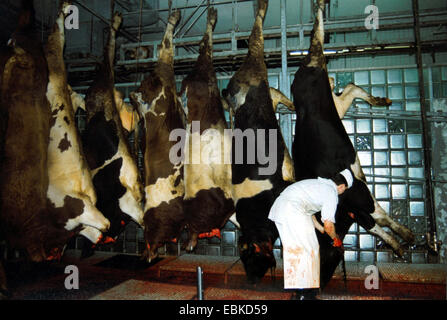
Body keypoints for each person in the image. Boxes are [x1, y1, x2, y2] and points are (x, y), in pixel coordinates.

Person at [268, 168, 354, 300]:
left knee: (311, 248)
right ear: (342, 186)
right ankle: (303, 294)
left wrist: (320, 229)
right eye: (344, 190)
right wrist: (335, 238)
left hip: (287, 208)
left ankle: (306, 293)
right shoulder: (331, 192)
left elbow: (309, 211)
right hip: (291, 210)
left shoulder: (318, 184)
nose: (342, 193)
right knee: (305, 251)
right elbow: (329, 224)